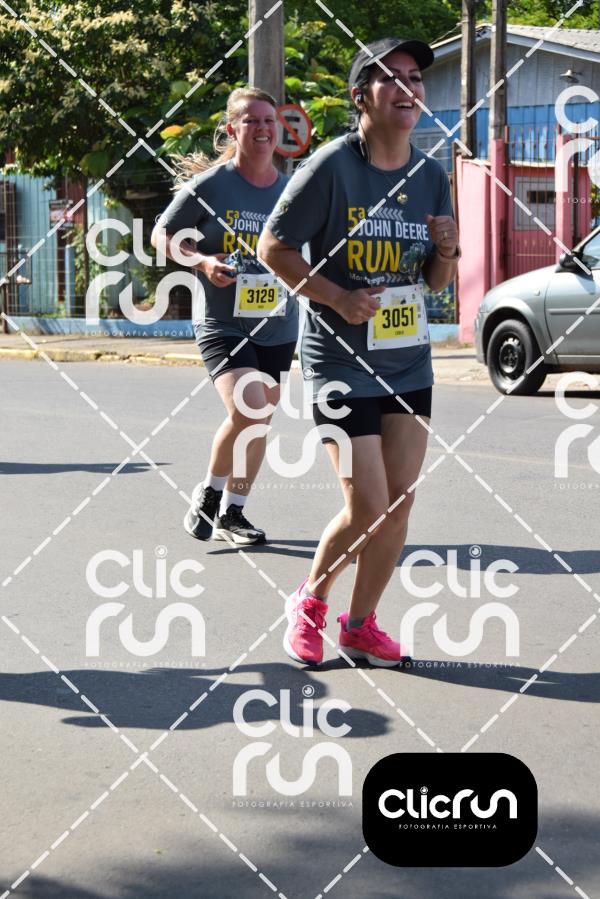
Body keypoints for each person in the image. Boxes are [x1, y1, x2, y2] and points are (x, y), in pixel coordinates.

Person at [258, 38, 460, 665]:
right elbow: (273, 248)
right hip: (340, 361)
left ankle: (361, 625)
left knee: (399, 502)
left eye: (414, 78)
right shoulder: (332, 167)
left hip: (407, 361)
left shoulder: (431, 176)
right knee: (368, 504)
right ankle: (310, 601)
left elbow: (436, 282)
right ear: (361, 97)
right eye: (390, 77)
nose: (407, 88)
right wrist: (338, 298)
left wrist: (447, 249)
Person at [151, 87, 298, 545]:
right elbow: (161, 235)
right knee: (249, 405)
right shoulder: (212, 185)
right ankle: (210, 493)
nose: (263, 129)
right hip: (223, 321)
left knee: (260, 419)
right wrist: (202, 262)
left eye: (269, 120)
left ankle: (233, 513)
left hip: (278, 321)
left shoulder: (291, 190)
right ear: (233, 130)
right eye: (252, 121)